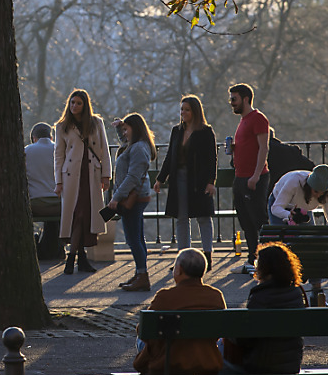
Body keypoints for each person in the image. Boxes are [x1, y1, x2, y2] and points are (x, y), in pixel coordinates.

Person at [214, 241, 307, 375]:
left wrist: (229, 336)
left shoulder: (260, 296)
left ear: (264, 269)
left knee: (221, 353)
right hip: (291, 364)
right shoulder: (297, 294)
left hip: (261, 364)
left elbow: (248, 340)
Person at [132, 248, 226, 375]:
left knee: (141, 338)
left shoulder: (165, 297)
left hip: (169, 361)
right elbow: (219, 334)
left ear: (179, 270)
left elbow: (143, 331)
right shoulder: (215, 296)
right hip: (205, 360)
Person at [154, 97, 217, 270]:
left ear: (195, 111)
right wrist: (160, 178)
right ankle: (183, 259)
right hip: (178, 178)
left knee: (203, 217)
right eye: (182, 109)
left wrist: (211, 182)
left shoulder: (205, 131)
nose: (183, 113)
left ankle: (207, 257)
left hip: (199, 180)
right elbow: (170, 157)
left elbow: (212, 159)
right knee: (181, 219)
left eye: (187, 109)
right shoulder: (177, 131)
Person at [54, 89, 112, 275]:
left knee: (86, 216)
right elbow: (58, 155)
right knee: (77, 215)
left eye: (78, 103)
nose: (74, 106)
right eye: (72, 103)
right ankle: (73, 259)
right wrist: (58, 181)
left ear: (85, 105)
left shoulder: (96, 123)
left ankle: (80, 258)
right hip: (71, 175)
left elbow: (104, 149)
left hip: (91, 175)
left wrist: (106, 175)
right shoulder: (62, 126)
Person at [269, 164, 328, 305]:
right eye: (315, 191)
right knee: (284, 250)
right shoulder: (294, 182)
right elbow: (276, 208)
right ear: (308, 186)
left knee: (312, 248)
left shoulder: (327, 193)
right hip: (282, 207)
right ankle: (286, 292)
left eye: (322, 192)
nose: (318, 195)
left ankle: (317, 292)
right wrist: (289, 216)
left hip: (303, 210)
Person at [110, 113, 156, 292]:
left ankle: (142, 276)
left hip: (132, 198)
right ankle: (140, 273)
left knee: (133, 239)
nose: (125, 132)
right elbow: (125, 143)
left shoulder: (138, 148)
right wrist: (120, 127)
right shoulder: (135, 145)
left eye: (127, 129)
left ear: (134, 129)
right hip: (134, 196)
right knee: (137, 237)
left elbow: (133, 177)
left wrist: (116, 198)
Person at [228, 83, 270, 274]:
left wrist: (255, 176)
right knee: (245, 221)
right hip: (240, 177)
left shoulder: (258, 118)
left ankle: (268, 259)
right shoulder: (244, 120)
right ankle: (252, 259)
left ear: (245, 99)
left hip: (254, 178)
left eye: (234, 99)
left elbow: (264, 148)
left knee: (258, 220)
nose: (231, 103)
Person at [25, 122, 63, 261]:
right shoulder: (60, 150)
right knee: (53, 222)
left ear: (34, 137)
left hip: (36, 205)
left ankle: (43, 248)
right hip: (61, 205)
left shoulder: (27, 151)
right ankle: (54, 248)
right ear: (51, 136)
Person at [266, 128, 314, 196]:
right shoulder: (291, 151)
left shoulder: (258, 152)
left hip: (267, 194)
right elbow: (311, 167)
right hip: (290, 193)